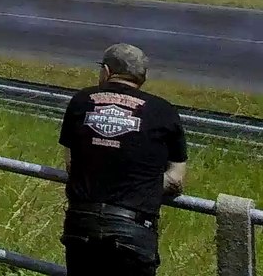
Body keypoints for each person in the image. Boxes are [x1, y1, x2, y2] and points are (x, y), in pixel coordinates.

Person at [59, 44, 186, 276]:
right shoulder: (165, 110)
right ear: (142, 78)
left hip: (81, 223)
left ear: (107, 72)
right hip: (134, 229)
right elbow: (176, 179)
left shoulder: (80, 100)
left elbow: (71, 164)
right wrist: (143, 185)